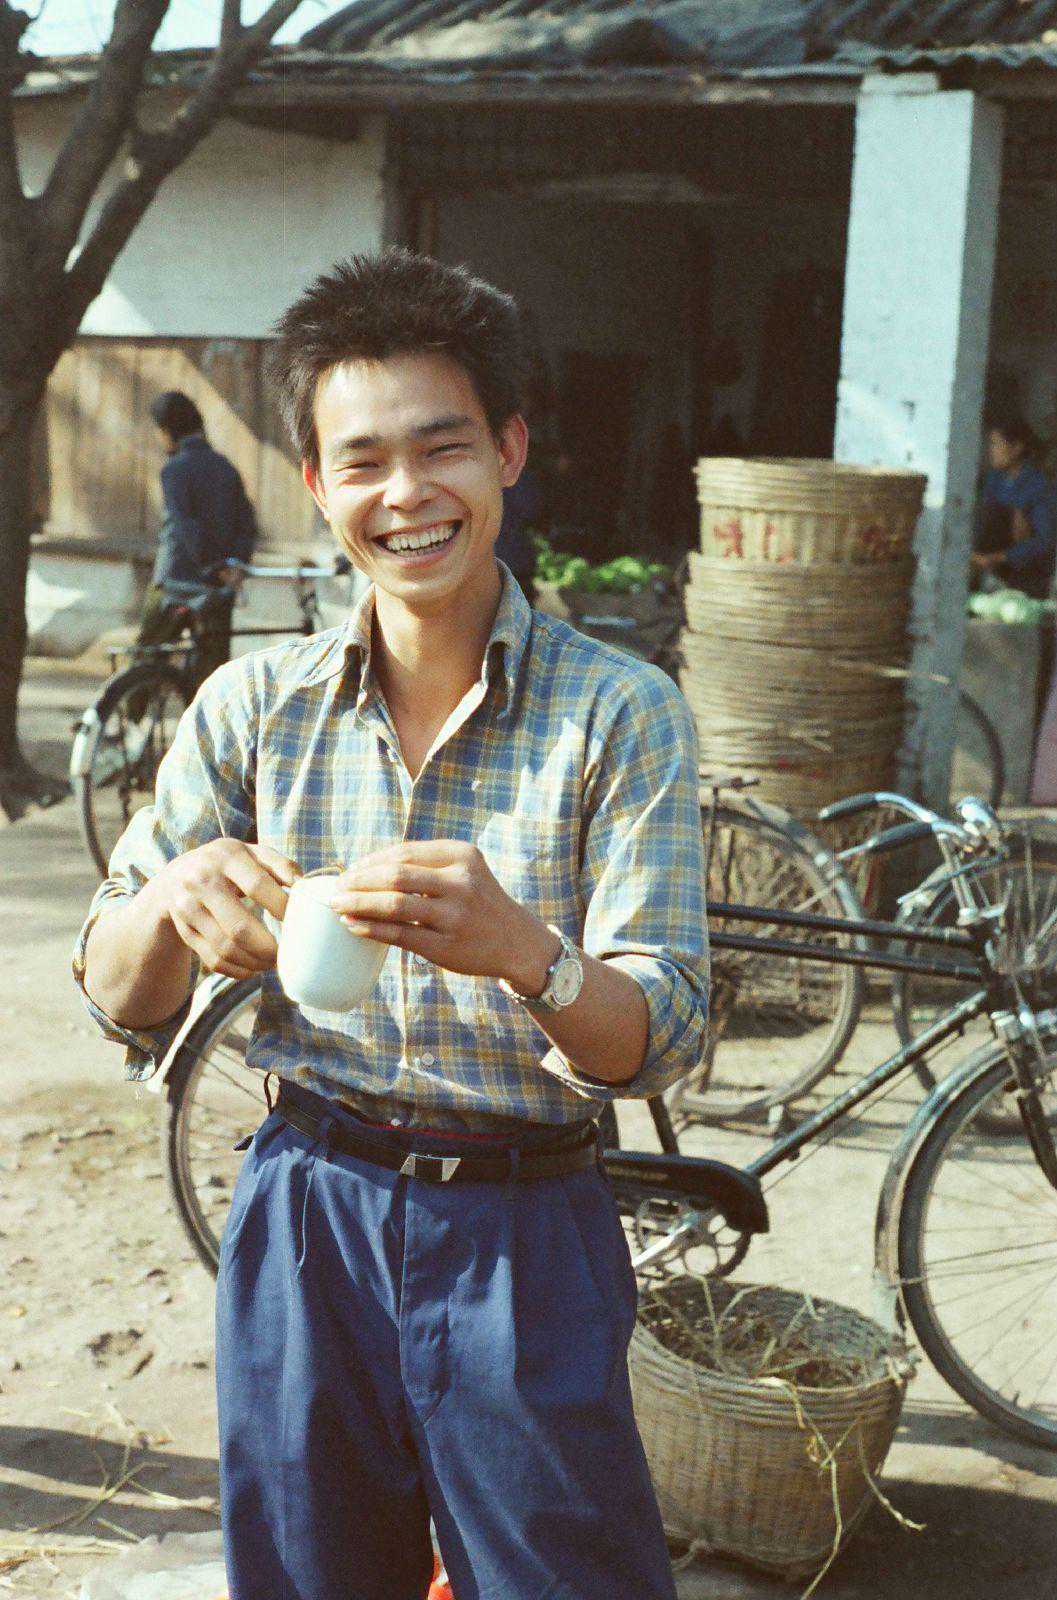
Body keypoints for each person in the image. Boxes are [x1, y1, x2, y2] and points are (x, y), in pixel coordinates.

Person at [74, 250, 709, 1600]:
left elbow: (656, 1037)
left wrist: (526, 954)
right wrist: (175, 906)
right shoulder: (253, 707)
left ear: (509, 452)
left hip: (528, 1232)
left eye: (443, 448)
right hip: (310, 1209)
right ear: (317, 485)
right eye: (362, 461)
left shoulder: (620, 712)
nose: (406, 494)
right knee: (309, 1577)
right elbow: (116, 987)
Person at [138, 391, 258, 684]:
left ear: (167, 431)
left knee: (144, 661)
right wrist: (233, 565)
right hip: (218, 586)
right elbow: (247, 524)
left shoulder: (174, 470)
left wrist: (213, 564)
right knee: (214, 676)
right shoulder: (226, 468)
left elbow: (185, 526)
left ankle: (130, 710)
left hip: (174, 582)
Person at [971, 416, 1057, 601]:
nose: (991, 451)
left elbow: (1044, 542)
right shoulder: (994, 479)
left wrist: (999, 557)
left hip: (1023, 567)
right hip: (989, 561)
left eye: (996, 444)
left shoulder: (1038, 485)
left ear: (1016, 448)